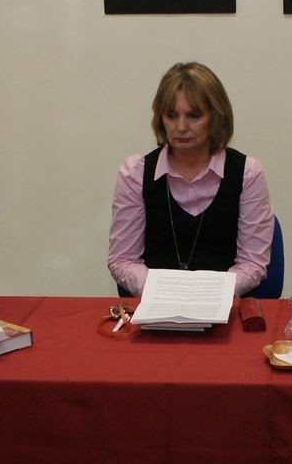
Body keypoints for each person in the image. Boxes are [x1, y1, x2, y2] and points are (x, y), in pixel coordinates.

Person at [107, 62, 273, 297]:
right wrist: (164, 292)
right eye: (171, 115)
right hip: (157, 307)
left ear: (216, 117)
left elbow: (253, 263)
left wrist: (208, 295)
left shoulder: (247, 174)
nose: (181, 127)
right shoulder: (135, 173)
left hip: (223, 307)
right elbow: (123, 259)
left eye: (194, 116)